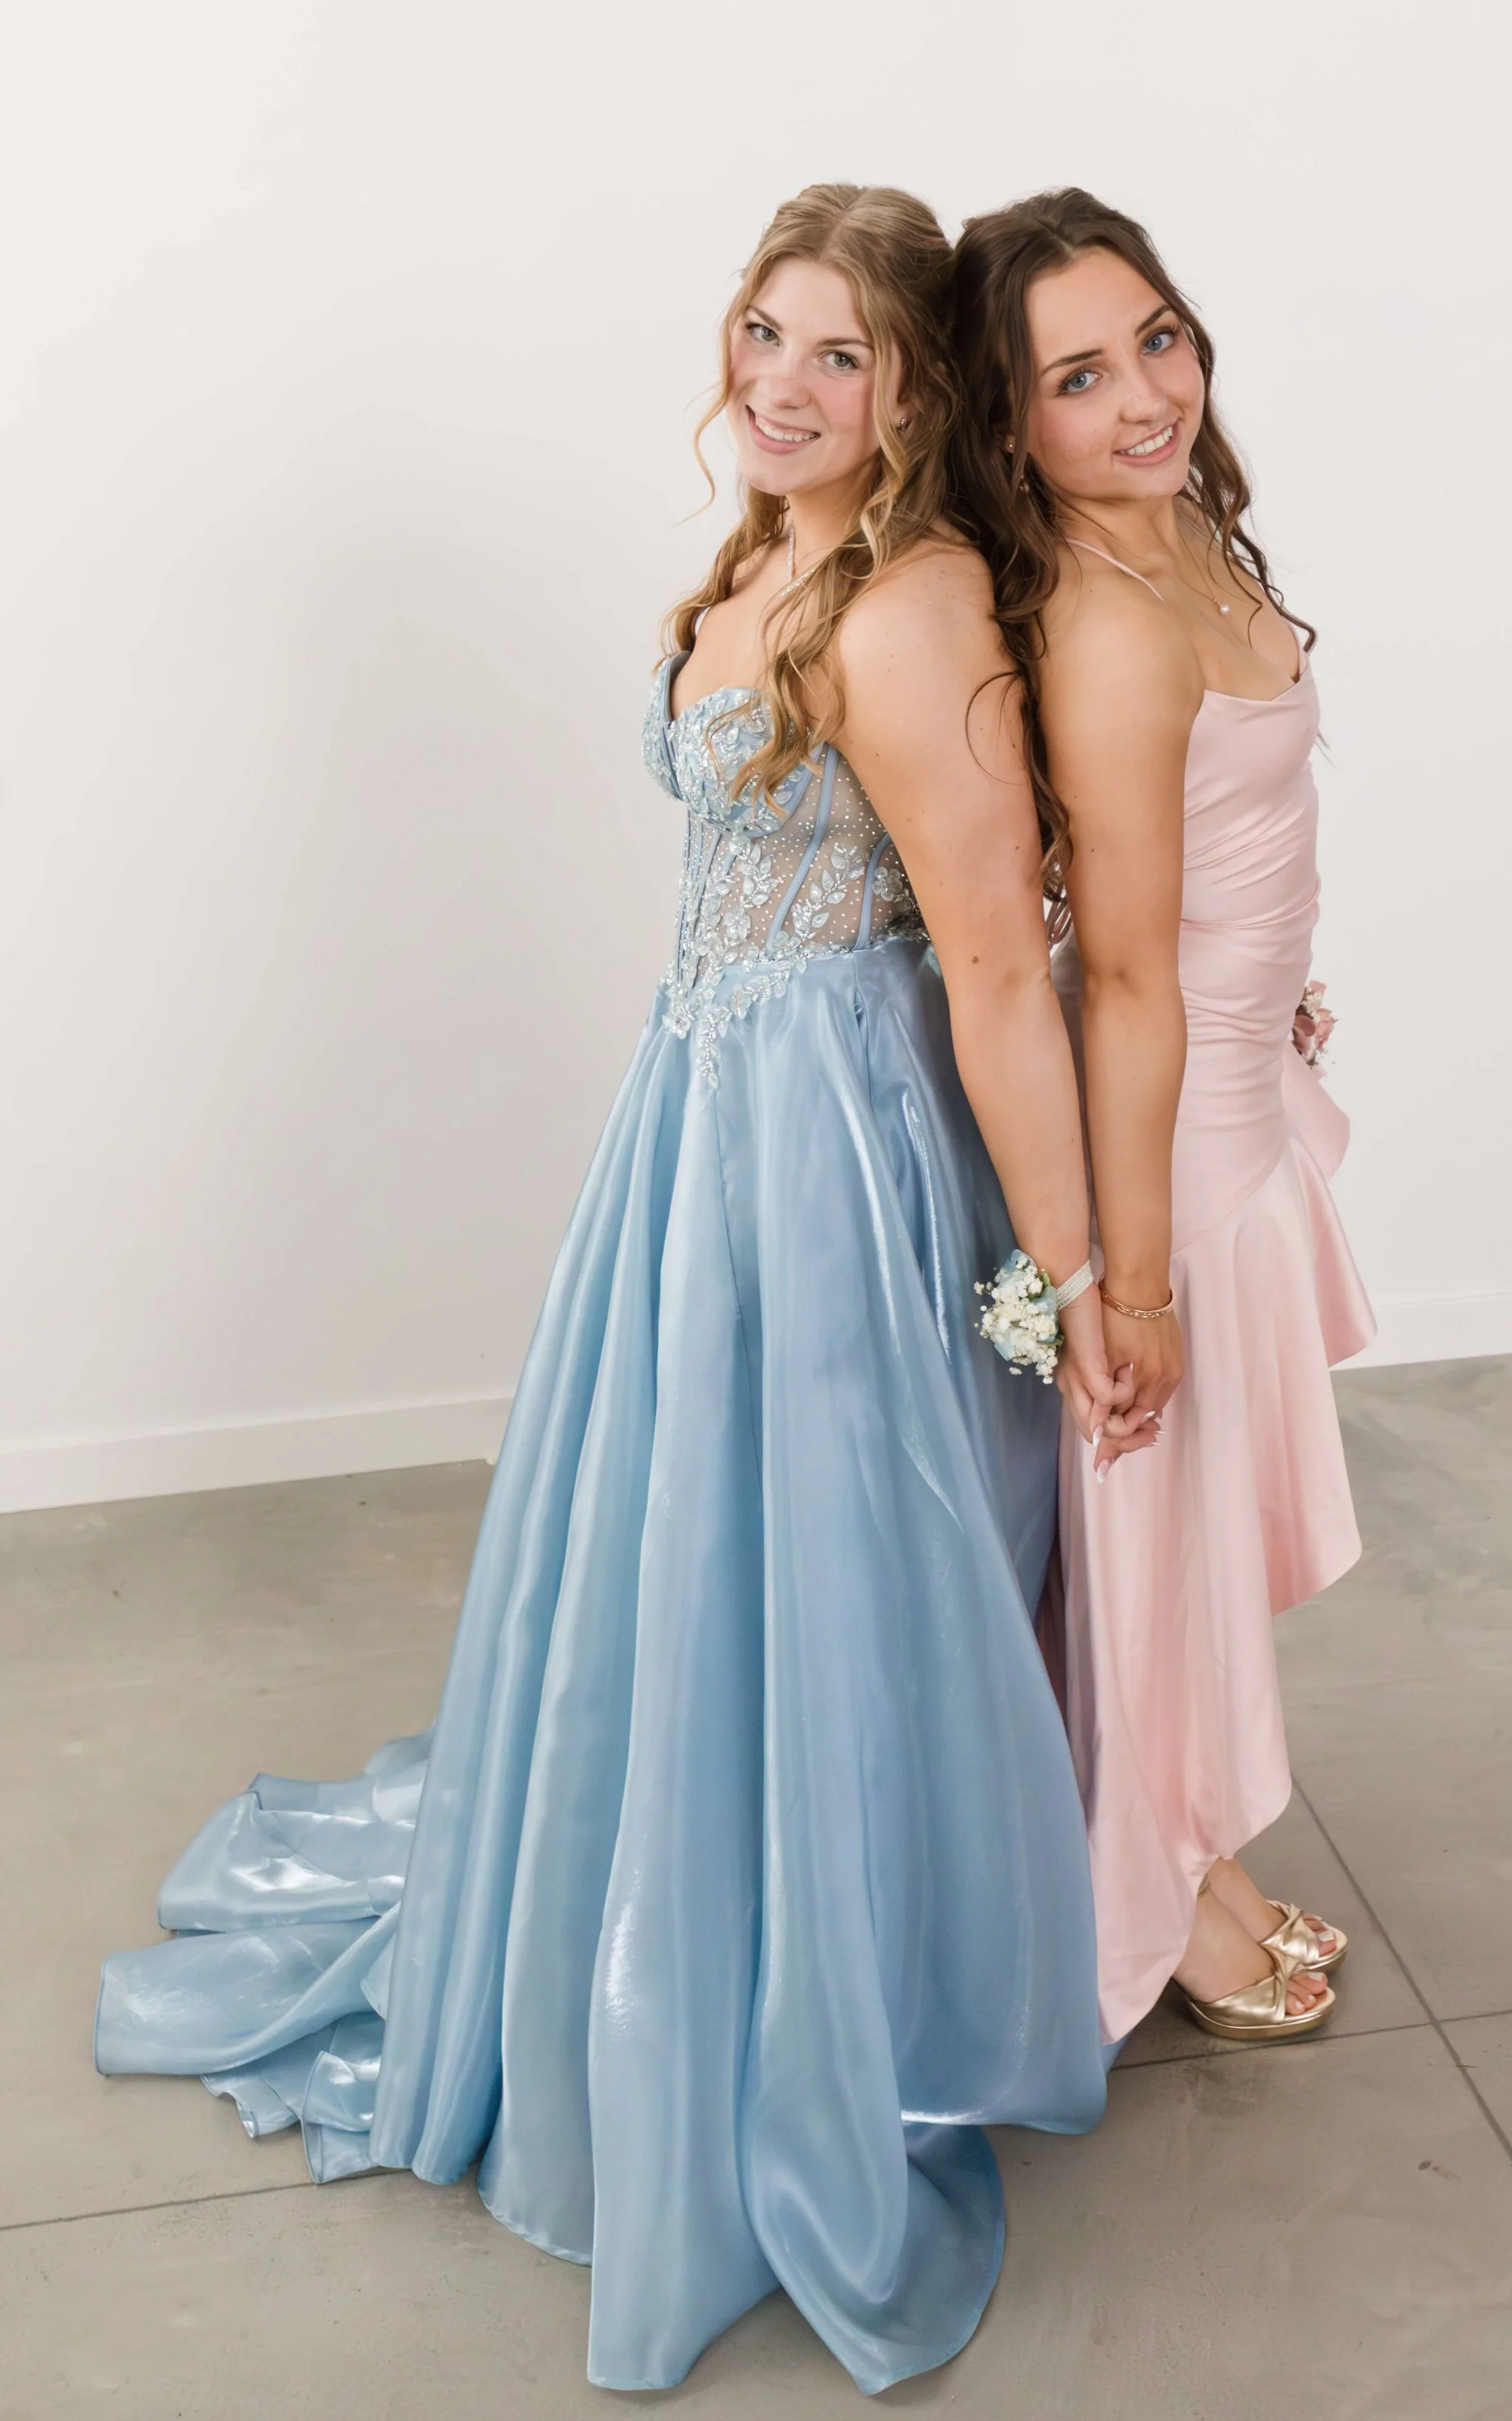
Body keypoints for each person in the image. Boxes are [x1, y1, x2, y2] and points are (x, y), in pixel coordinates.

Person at [96, 184, 1132, 2394]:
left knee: (820, 1559)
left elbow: (986, 964)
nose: (784, 382)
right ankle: (664, 1891)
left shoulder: (912, 603)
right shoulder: (765, 557)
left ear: (913, 392)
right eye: (764, 332)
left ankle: (818, 1978)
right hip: (698, 1110)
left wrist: (1065, 1270)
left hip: (828, 1138)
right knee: (678, 1554)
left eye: (843, 353)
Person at [950, 187, 1375, 2051]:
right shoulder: (1105, 624)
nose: (1142, 396)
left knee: (1188, 1544)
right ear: (1006, 419)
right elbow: (1119, 977)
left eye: (1156, 338)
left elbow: (1219, 862)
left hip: (1233, 1085)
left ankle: (1198, 1846)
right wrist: (1126, 1285)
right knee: (1150, 1536)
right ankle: (1152, 1896)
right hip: (1166, 1132)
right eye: (1076, 376)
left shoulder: (1184, 528)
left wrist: (1274, 982)